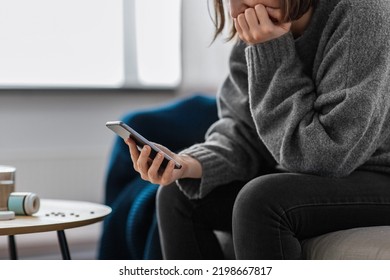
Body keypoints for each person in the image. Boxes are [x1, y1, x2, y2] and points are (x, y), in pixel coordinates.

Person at [125, 0, 390, 259]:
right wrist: (187, 163)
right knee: (177, 194)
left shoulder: (362, 11)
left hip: (378, 173)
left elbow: (329, 155)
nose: (242, 5)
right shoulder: (257, 32)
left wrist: (271, 50)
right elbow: (244, 133)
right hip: (324, 172)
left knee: (261, 200)